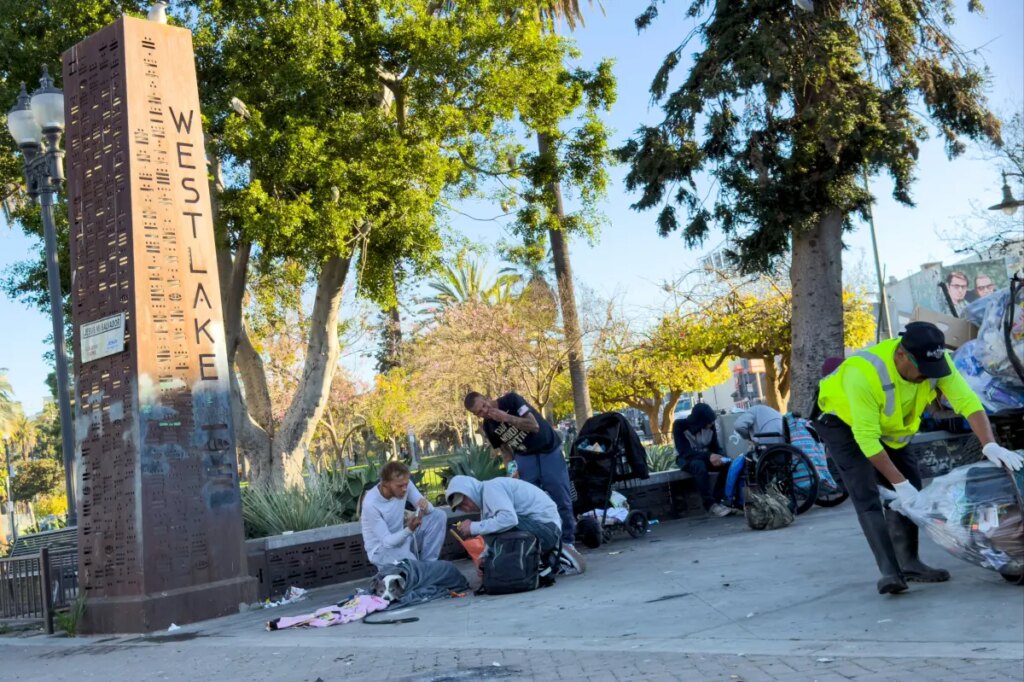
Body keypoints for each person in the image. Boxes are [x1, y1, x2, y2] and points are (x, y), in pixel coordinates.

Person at [814, 321, 1023, 595]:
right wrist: (898, 484)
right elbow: (866, 438)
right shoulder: (863, 373)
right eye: (923, 369)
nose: (928, 375)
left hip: (891, 428)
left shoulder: (935, 364)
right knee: (866, 493)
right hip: (841, 422)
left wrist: (990, 445)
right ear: (901, 354)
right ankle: (890, 573)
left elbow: (968, 403)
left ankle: (910, 563)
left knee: (912, 485)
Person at [464, 391, 576, 547]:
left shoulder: (511, 401)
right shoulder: (489, 426)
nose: (485, 411)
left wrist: (507, 418)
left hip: (547, 449)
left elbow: (534, 426)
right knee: (528, 502)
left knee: (560, 495)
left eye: (484, 405)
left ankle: (568, 541)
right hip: (524, 456)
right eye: (479, 412)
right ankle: (541, 543)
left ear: (487, 398)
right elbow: (505, 452)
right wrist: (512, 473)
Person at [445, 474, 584, 575]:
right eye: (461, 507)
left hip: (547, 530)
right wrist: (484, 560)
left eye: (464, 502)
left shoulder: (491, 488)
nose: (466, 508)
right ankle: (544, 559)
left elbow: (509, 520)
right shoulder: (486, 501)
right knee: (490, 528)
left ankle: (557, 554)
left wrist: (473, 527)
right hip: (543, 527)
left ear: (470, 490)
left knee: (494, 527)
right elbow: (493, 530)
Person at [360, 461, 447, 572]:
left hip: (403, 539)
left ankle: (429, 566)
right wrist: (409, 529)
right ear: (385, 483)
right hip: (381, 550)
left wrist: (425, 505)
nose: (405, 489)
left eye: (406, 484)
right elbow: (387, 542)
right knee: (414, 572)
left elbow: (430, 510)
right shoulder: (370, 503)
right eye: (400, 486)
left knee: (438, 516)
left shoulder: (405, 485)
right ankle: (420, 570)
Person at [673, 402, 736, 517]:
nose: (711, 424)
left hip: (705, 456)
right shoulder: (679, 425)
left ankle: (719, 499)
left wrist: (721, 456)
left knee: (728, 464)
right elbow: (684, 452)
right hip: (686, 459)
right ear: (700, 421)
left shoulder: (710, 427)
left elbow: (715, 447)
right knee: (699, 466)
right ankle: (710, 504)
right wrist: (709, 456)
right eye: (709, 422)